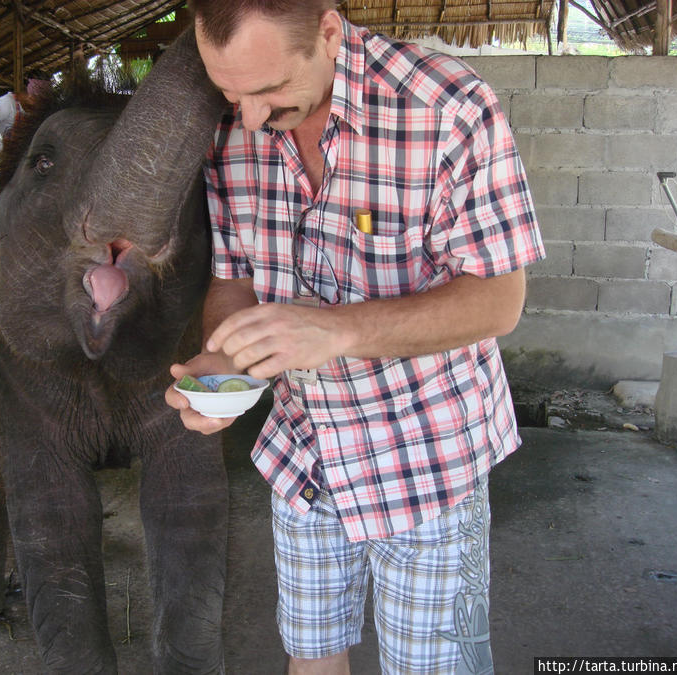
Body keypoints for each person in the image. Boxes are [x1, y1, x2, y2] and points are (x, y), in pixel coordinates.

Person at [165, 1, 545, 673]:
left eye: (269, 92)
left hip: (426, 462)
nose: (248, 118)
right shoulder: (231, 127)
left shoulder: (449, 109)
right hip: (303, 458)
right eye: (230, 94)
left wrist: (335, 329)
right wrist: (224, 365)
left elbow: (498, 300)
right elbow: (234, 277)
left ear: (330, 32)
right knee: (311, 662)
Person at [0, 72, 50, 136]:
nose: (41, 103)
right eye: (39, 99)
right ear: (29, 95)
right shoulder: (7, 103)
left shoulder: (37, 111)